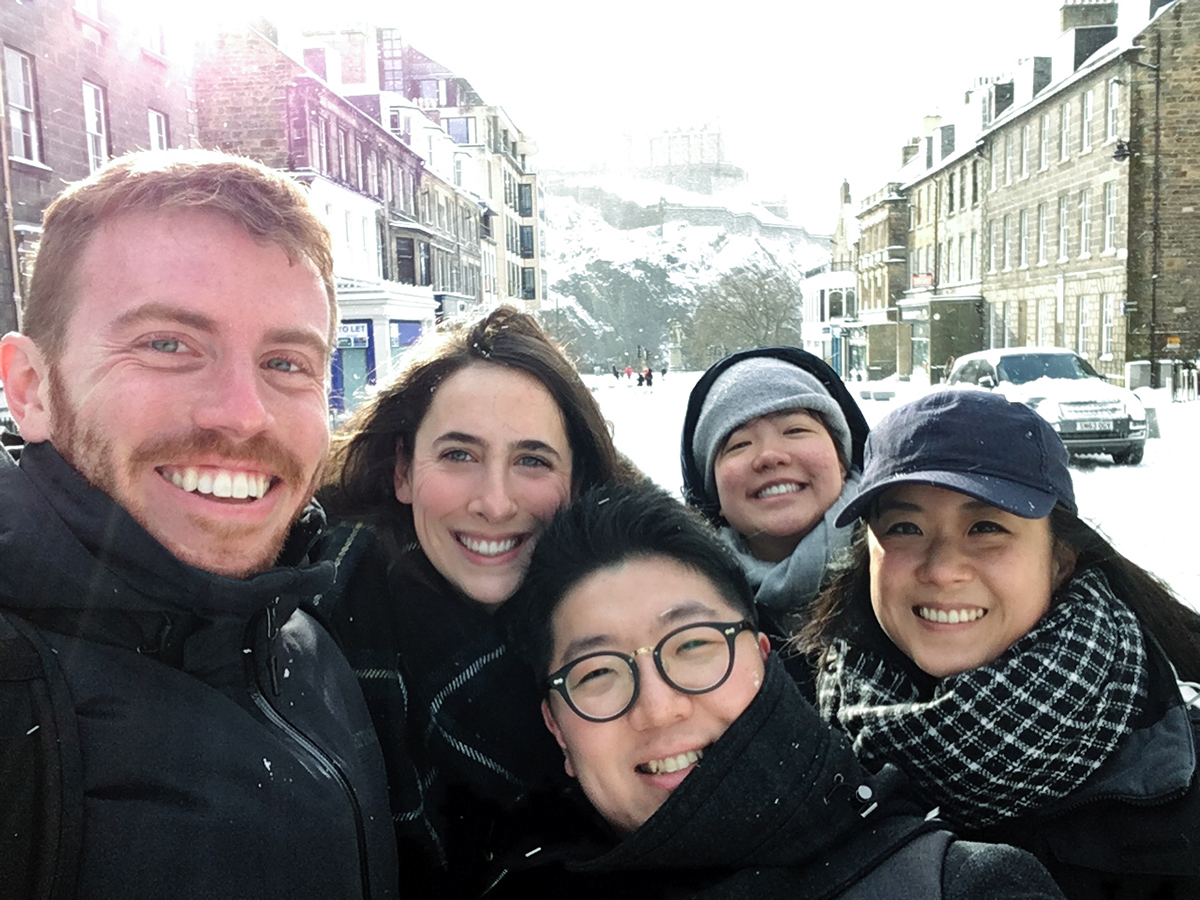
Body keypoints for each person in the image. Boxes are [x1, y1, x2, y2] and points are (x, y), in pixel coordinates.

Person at [0, 150, 397, 899]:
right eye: (168, 345)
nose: (242, 413)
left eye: (286, 362)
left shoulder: (300, 635)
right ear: (31, 389)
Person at [489, 480, 1066, 898]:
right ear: (557, 729)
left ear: (765, 659)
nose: (660, 708)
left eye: (693, 646)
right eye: (598, 674)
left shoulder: (958, 886)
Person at [803, 389, 1200, 899]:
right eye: (906, 527)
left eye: (986, 527)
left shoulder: (1178, 772)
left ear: (1060, 560)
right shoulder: (805, 739)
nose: (943, 569)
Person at [316, 306, 629, 895]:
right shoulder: (306, 634)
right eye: (459, 454)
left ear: (578, 484)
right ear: (403, 471)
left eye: (532, 461)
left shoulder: (639, 627)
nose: (494, 502)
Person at [680, 347, 869, 639]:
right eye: (739, 444)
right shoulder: (684, 616)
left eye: (795, 430)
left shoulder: (903, 569)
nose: (769, 455)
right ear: (714, 495)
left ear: (842, 462)